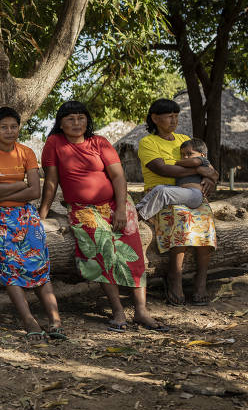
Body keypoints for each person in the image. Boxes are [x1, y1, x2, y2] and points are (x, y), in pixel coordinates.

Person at [39, 101, 166, 332]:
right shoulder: (54, 143)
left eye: (81, 118)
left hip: (116, 205)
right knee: (101, 251)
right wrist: (42, 216)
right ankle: (117, 310)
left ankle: (141, 311)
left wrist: (120, 208)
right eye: (70, 119)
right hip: (83, 210)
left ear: (87, 120)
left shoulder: (100, 142)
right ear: (60, 122)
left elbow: (118, 177)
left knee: (133, 255)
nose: (76, 123)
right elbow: (50, 182)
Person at [0, 107, 65, 341]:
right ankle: (28, 319)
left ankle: (55, 319)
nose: (9, 131)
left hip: (25, 213)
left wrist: (4, 191)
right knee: (9, 264)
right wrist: (20, 185)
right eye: (3, 127)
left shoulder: (26, 152)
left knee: (39, 263)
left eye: (14, 126)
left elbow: (34, 191)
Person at [138, 98, 218, 306]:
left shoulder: (184, 139)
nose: (174, 119)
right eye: (169, 115)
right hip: (162, 196)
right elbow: (162, 169)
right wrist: (198, 170)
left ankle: (201, 278)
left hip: (189, 192)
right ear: (155, 118)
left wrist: (208, 177)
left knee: (206, 218)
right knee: (181, 217)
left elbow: (208, 167)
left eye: (176, 115)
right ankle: (175, 276)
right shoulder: (148, 142)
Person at [135, 138, 210, 220]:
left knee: (164, 192)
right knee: (159, 187)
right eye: (182, 154)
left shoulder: (203, 161)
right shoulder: (187, 165)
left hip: (195, 194)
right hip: (181, 190)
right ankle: (137, 208)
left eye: (189, 154)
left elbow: (195, 162)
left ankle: (140, 216)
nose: (185, 157)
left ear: (202, 155)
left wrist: (177, 162)